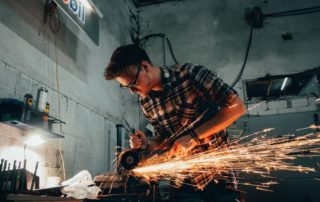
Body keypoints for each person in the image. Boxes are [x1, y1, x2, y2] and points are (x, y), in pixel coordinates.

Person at [104, 44, 245, 202]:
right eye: (126, 87)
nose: (132, 90)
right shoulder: (146, 104)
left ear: (145, 66)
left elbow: (237, 107)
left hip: (218, 171)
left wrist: (193, 137)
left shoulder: (190, 75)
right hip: (184, 177)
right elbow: (164, 138)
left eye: (133, 83)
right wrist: (148, 144)